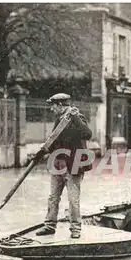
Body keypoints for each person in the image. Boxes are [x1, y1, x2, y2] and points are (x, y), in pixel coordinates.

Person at [34, 93, 93, 239]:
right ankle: (49, 226)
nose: (51, 109)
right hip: (57, 164)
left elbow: (87, 134)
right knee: (53, 197)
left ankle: (75, 229)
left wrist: (76, 118)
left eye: (53, 106)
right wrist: (42, 152)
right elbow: (54, 140)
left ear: (60, 105)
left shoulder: (76, 117)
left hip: (73, 165)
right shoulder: (58, 120)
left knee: (73, 199)